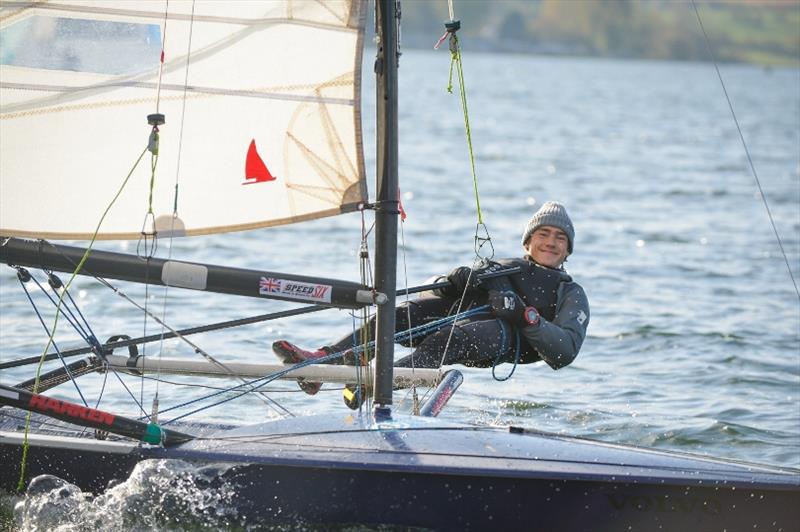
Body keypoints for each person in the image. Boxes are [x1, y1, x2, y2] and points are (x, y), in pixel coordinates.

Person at [273, 201, 590, 406]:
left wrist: (525, 316)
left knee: (447, 337)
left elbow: (564, 352)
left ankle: (373, 385)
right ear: (528, 241)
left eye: (560, 238)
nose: (550, 242)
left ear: (568, 249)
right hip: (464, 323)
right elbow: (436, 296)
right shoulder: (502, 267)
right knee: (395, 316)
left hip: (508, 342)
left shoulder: (571, 293)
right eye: (544, 233)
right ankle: (322, 363)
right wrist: (448, 282)